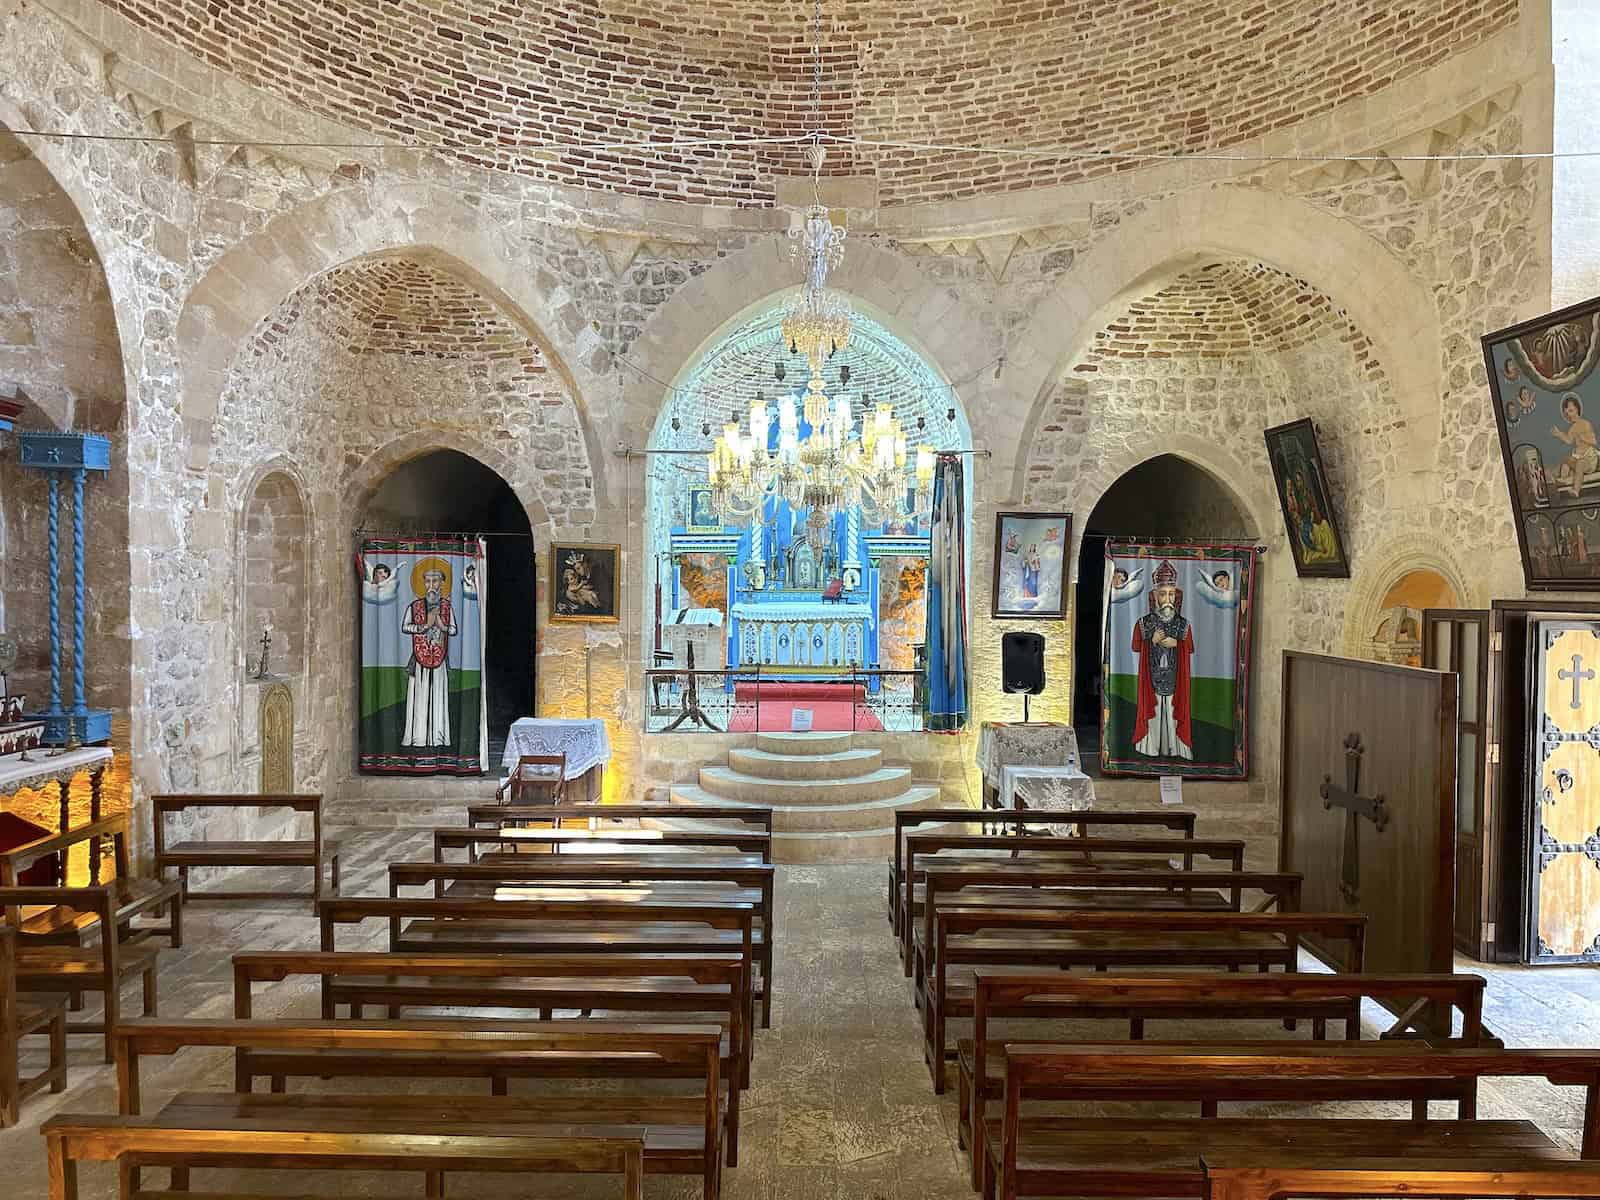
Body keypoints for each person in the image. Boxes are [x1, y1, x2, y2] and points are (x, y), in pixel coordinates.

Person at [1131, 560, 1194, 760]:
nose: (1167, 598)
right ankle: (1151, 749)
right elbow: (1135, 646)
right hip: (1152, 680)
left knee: (1173, 714)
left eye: (1171, 594)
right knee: (1155, 713)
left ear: (1176, 596)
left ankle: (1175, 750)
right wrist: (1151, 641)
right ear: (1155, 596)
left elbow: (1189, 647)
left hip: (1175, 680)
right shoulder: (1143, 623)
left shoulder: (1184, 625)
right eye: (1163, 594)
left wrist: (1178, 643)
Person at [401, 561, 457, 747]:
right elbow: (405, 626)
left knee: (438, 695)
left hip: (439, 656)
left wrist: (440, 624)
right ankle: (418, 738)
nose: (431, 586)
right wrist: (424, 626)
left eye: (436, 581)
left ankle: (438, 738)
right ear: (423, 584)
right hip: (419, 657)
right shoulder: (414, 606)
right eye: (428, 581)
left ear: (442, 583)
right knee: (419, 696)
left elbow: (453, 630)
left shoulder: (447, 607)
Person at [1551, 394, 1598, 498]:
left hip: (1589, 459)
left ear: (1578, 410)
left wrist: (1582, 438)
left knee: (1580, 464)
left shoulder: (1585, 424)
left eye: (1571, 411)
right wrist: (1559, 434)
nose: (1569, 415)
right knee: (1566, 462)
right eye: (1566, 414)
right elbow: (1568, 440)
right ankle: (1564, 484)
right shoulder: (1572, 428)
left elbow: (1594, 441)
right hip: (1577, 458)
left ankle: (1576, 490)